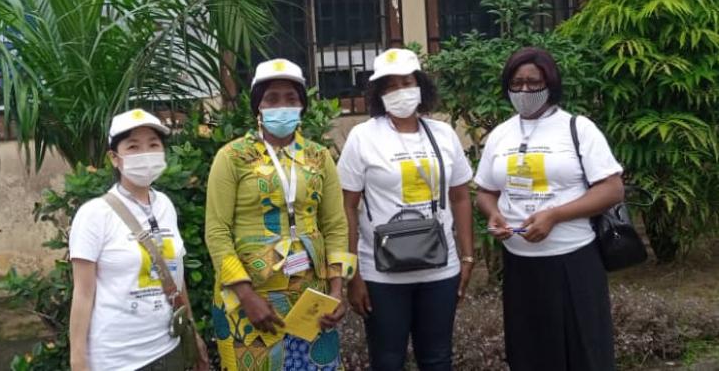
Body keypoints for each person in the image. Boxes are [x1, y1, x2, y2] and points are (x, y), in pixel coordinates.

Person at [474, 47, 624, 371]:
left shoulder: (578, 128)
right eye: (516, 83)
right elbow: (485, 191)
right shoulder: (501, 134)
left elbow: (612, 189)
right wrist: (493, 214)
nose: (524, 91)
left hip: (574, 261)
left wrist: (555, 215)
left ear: (550, 83)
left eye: (533, 82)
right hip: (520, 265)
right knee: (529, 353)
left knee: (584, 352)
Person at [205, 58, 356, 370]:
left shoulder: (318, 156)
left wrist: (338, 290)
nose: (282, 106)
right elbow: (217, 232)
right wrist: (247, 296)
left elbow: (336, 225)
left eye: (291, 98)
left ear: (302, 106)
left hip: (311, 300)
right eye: (271, 98)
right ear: (258, 106)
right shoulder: (232, 157)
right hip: (251, 301)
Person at [337, 48, 475, 371]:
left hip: (440, 269)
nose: (401, 91)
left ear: (421, 85)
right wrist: (353, 275)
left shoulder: (443, 134)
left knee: (438, 358)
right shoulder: (363, 137)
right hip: (381, 274)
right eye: (391, 85)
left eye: (407, 81)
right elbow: (347, 206)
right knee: (386, 361)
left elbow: (460, 197)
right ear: (379, 93)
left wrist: (467, 256)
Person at [69, 108, 209, 371]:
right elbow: (83, 294)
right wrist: (78, 362)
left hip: (169, 350)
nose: (145, 153)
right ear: (114, 158)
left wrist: (193, 332)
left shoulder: (165, 205)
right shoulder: (94, 214)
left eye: (153, 144)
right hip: (117, 360)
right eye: (133, 147)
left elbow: (176, 275)